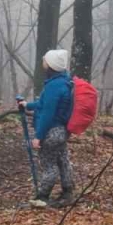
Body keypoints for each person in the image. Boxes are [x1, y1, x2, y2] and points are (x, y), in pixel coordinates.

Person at [17, 49, 76, 209]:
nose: (43, 62)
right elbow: (45, 105)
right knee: (63, 160)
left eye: (45, 60)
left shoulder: (53, 86)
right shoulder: (64, 82)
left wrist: (38, 136)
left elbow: (48, 114)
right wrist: (27, 105)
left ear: (50, 65)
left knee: (49, 165)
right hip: (61, 131)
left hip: (51, 131)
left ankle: (42, 198)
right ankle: (68, 193)